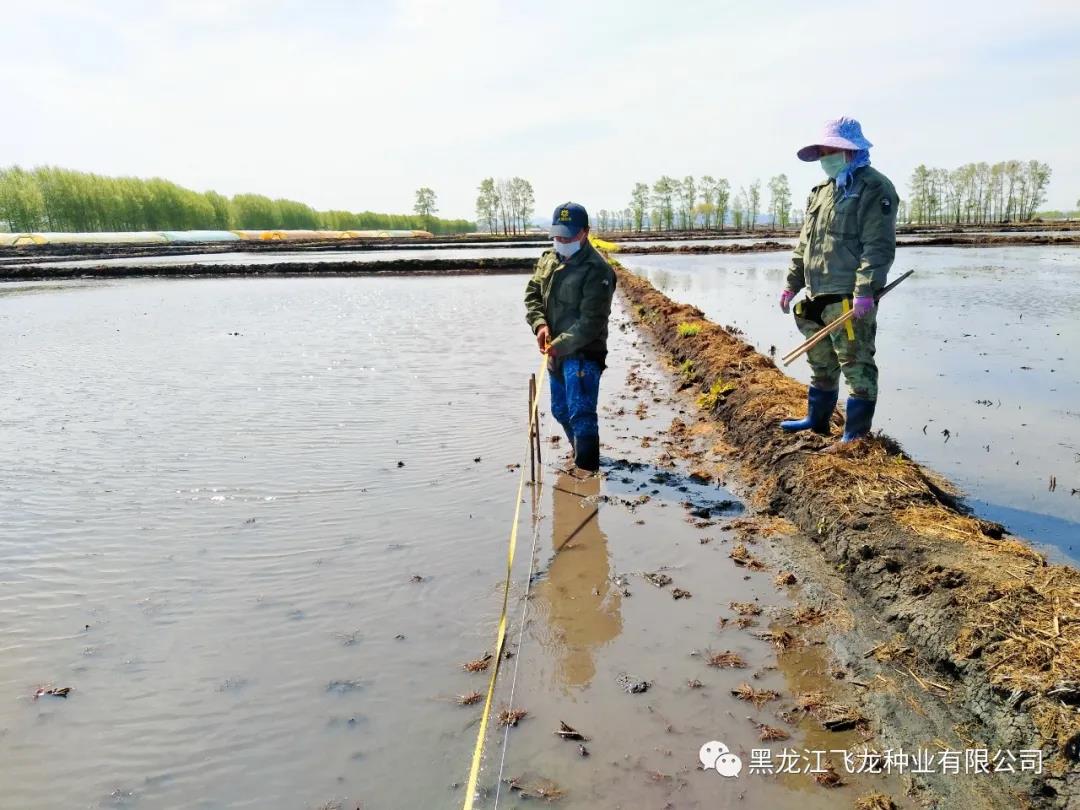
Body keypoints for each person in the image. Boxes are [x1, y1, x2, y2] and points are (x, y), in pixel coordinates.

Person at [778, 117, 899, 442]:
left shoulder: (874, 188)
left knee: (856, 366)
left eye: (831, 150)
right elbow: (805, 245)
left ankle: (854, 437)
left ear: (851, 150)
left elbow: (878, 246)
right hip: (817, 295)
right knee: (820, 363)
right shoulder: (821, 192)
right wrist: (791, 283)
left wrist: (865, 291)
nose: (825, 157)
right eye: (822, 152)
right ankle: (816, 420)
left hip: (848, 297)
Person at [524, 202, 616, 472]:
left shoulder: (597, 270)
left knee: (581, 413)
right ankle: (580, 454)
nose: (562, 241)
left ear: (585, 232)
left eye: (568, 236)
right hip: (554, 351)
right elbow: (532, 295)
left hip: (583, 352)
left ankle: (587, 472)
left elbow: (591, 321)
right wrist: (540, 325)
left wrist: (559, 344)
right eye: (558, 235)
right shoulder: (548, 259)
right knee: (560, 410)